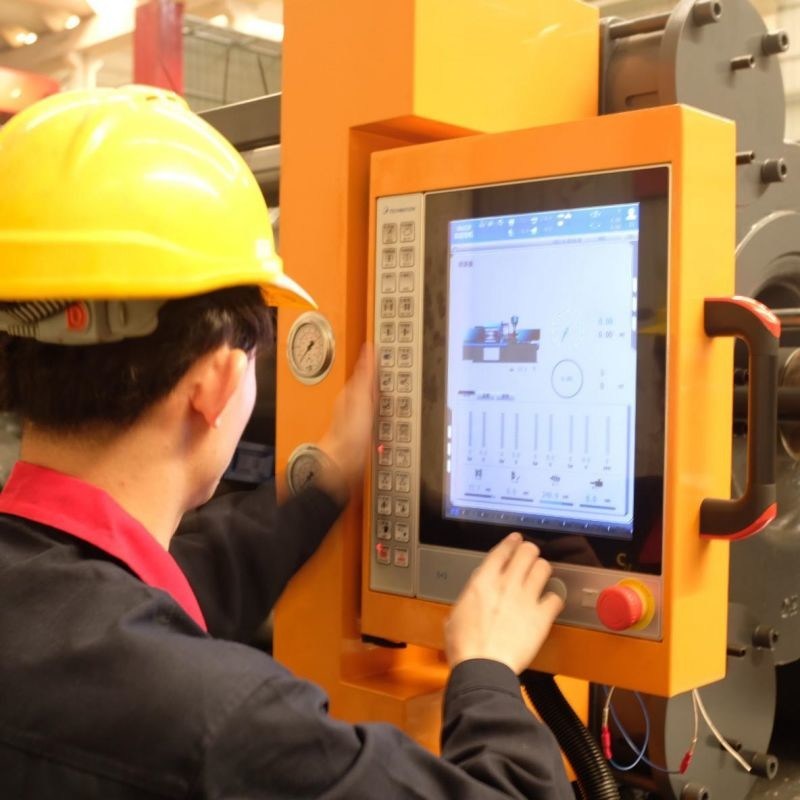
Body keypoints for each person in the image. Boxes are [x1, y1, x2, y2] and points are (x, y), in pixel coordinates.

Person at [0, 86, 571, 799]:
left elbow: (173, 581)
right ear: (218, 380)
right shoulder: (229, 726)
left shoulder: (44, 600)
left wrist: (329, 477)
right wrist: (486, 672)